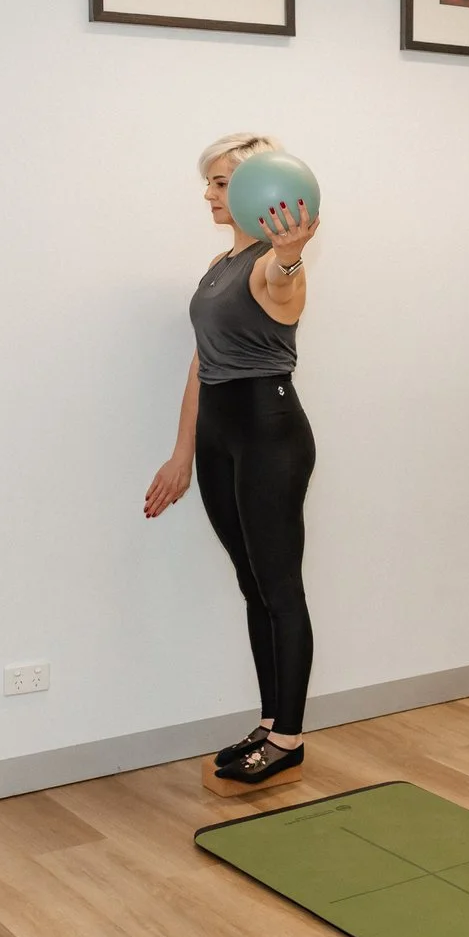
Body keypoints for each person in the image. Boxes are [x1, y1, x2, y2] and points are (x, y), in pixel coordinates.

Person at [144, 134, 319, 786]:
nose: (211, 194)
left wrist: (291, 256)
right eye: (212, 182)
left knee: (280, 587)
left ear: (256, 189)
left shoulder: (270, 266)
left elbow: (283, 287)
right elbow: (201, 361)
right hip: (221, 432)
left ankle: (290, 739)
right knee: (252, 585)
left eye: (221, 182)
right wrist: (183, 452)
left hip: (270, 433)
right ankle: (271, 722)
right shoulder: (222, 261)